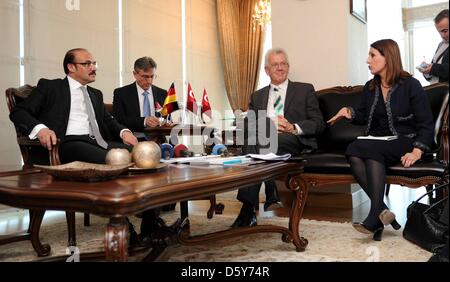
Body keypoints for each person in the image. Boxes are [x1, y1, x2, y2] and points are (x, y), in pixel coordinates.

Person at [328, 39, 435, 241]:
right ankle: (382, 211)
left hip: (405, 139)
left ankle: (376, 215)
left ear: (388, 57)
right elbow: (363, 115)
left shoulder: (411, 85)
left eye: (372, 55)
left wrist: (417, 151)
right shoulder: (371, 87)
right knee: (355, 149)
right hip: (379, 140)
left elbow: (426, 123)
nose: (367, 60)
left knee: (367, 149)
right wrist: (348, 112)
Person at [231, 48, 325, 228]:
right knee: (253, 138)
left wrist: (293, 127)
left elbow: (318, 123)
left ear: (288, 67)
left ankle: (249, 207)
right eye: (275, 64)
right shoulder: (257, 96)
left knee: (257, 142)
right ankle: (264, 194)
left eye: (283, 64)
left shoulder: (304, 89)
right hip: (264, 140)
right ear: (267, 70)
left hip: (292, 139)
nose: (280, 68)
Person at [10, 48, 138, 164]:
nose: (93, 68)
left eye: (94, 63)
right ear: (71, 67)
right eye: (87, 64)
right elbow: (19, 112)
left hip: (98, 143)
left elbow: (108, 120)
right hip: (66, 143)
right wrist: (41, 129)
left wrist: (124, 132)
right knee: (116, 159)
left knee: (142, 154)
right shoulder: (50, 87)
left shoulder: (96, 94)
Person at [113, 56, 167, 141]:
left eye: (152, 76)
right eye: (145, 76)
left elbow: (167, 118)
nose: (149, 81)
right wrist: (144, 121)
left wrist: (163, 122)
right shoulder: (121, 93)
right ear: (135, 74)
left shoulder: (163, 93)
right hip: (133, 139)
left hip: (158, 139)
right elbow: (119, 120)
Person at [418, 9, 449, 83]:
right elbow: (435, 71)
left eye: (445, 31)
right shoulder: (441, 44)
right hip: (438, 91)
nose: (442, 35)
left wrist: (432, 68)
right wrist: (426, 71)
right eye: (439, 31)